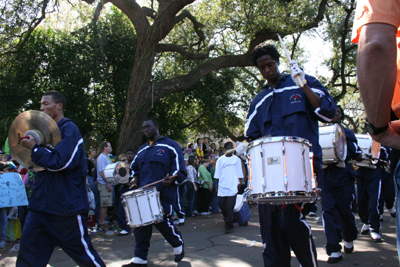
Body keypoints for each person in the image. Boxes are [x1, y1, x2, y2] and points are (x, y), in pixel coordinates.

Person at [245, 43, 336, 267]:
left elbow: (328, 113)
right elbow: (251, 135)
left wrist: (303, 85)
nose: (267, 70)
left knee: (292, 223)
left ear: (277, 62)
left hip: (301, 172)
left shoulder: (302, 82)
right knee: (271, 234)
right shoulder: (259, 100)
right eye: (262, 67)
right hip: (270, 178)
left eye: (270, 64)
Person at [17, 90, 105, 267]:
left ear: (59, 106)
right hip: (40, 206)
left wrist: (34, 149)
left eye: (46, 103)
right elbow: (33, 163)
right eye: (40, 104)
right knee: (28, 257)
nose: (41, 107)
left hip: (65, 209)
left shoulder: (69, 130)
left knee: (84, 255)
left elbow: (61, 162)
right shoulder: (42, 133)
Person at [122, 118, 186, 267]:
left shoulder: (170, 145)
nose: (145, 130)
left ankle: (177, 243)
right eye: (143, 128)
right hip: (144, 192)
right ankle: (140, 258)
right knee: (141, 224)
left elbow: (179, 168)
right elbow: (134, 169)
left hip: (163, 192)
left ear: (156, 127)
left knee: (162, 220)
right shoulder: (142, 150)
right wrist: (134, 179)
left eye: (148, 127)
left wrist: (172, 178)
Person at [318, 106, 363, 263]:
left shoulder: (347, 133)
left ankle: (348, 238)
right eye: (333, 112)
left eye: (339, 112)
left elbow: (355, 153)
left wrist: (346, 145)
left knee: (345, 211)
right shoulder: (319, 132)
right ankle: (334, 248)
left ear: (342, 116)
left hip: (343, 177)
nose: (336, 114)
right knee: (329, 211)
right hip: (326, 177)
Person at [356, 144, 390, 242]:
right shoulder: (361, 141)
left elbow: (386, 160)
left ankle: (375, 228)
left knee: (374, 202)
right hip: (361, 174)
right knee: (361, 202)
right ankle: (366, 222)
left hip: (375, 174)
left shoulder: (382, 145)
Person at [214, 142, 244, 234]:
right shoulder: (220, 160)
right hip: (222, 187)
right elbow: (218, 175)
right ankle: (228, 218)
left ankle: (228, 226)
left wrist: (240, 182)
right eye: (229, 147)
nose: (231, 149)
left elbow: (240, 171)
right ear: (225, 149)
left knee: (229, 207)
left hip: (232, 186)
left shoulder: (236, 160)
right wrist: (217, 187)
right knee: (222, 205)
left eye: (232, 147)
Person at [117, 149, 135, 236]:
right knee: (121, 208)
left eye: (131, 153)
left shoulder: (136, 164)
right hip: (124, 187)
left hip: (133, 188)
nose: (129, 155)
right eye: (128, 153)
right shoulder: (122, 164)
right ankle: (125, 227)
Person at [96, 141, 113, 230]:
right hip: (104, 184)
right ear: (105, 147)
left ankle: (102, 221)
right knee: (104, 204)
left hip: (107, 183)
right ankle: (101, 222)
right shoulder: (101, 158)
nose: (111, 148)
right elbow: (101, 172)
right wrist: (107, 183)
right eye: (109, 146)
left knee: (106, 204)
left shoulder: (107, 157)